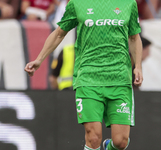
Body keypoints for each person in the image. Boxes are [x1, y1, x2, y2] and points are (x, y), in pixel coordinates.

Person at [24, 0, 143, 149]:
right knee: (93, 138)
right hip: (88, 78)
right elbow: (59, 33)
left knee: (121, 142)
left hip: (119, 79)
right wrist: (39, 59)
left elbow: (134, 37)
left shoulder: (128, 3)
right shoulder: (77, 3)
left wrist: (138, 66)